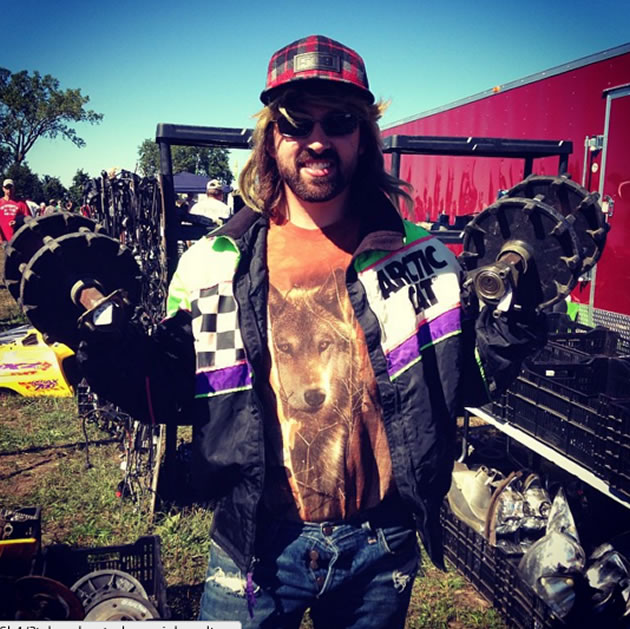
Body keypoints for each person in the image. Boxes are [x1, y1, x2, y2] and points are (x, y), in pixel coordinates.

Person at [77, 35, 545, 627]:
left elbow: (465, 381)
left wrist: (521, 315)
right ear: (271, 137)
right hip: (255, 547)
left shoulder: (421, 260)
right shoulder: (213, 263)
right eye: (297, 122)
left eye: (340, 120)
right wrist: (107, 347)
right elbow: (172, 391)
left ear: (363, 137)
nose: (318, 139)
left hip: (379, 545)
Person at [0, 178, 29, 244]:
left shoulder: (21, 203)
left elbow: (27, 218)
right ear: (3, 189)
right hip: (3, 240)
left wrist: (18, 222)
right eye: (7, 188)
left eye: (11, 187)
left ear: (14, 189)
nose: (9, 190)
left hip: (17, 239)